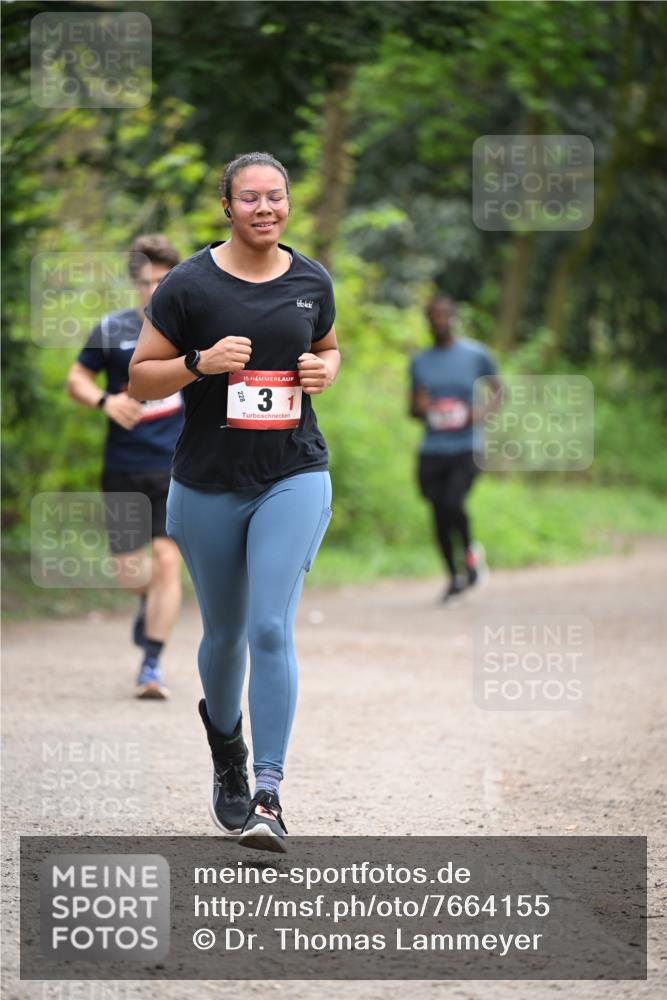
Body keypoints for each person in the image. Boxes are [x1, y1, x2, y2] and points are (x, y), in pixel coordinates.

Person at [128, 151, 340, 852]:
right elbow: (140, 383)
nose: (264, 209)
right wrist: (197, 364)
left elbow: (329, 350)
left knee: (269, 629)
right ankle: (228, 751)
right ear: (227, 206)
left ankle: (269, 797)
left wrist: (322, 369)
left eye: (275, 197)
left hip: (292, 474)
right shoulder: (188, 286)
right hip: (208, 483)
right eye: (249, 198)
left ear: (288, 203)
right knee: (221, 636)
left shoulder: (311, 281)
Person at [66, 234, 183, 698]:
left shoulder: (194, 333)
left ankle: (151, 665)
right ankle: (148, 605)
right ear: (135, 284)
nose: (154, 290)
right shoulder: (112, 329)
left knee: (167, 560)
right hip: (122, 465)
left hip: (175, 466)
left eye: (163, 281)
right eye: (146, 281)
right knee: (131, 574)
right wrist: (105, 401)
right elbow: (76, 377)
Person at [409, 294, 501, 604]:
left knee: (453, 502)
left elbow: (499, 391)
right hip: (433, 448)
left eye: (444, 315)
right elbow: (413, 408)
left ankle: (470, 553)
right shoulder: (419, 361)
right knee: (437, 513)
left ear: (453, 318)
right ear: (427, 321)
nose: (439, 321)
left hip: (466, 447)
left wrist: (482, 412)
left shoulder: (476, 355)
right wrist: (419, 408)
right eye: (433, 316)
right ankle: (454, 578)